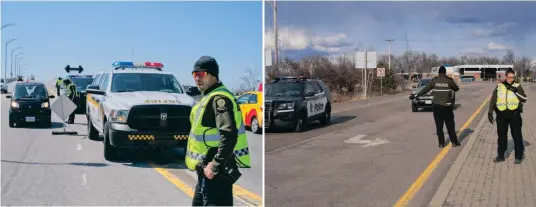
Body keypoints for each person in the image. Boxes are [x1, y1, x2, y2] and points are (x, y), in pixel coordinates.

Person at [185, 56, 251, 206]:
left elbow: (229, 134)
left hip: (215, 172)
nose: (197, 78)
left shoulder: (219, 99)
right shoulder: (208, 97)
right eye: (194, 74)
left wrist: (215, 165)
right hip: (207, 170)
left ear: (213, 75)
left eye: (201, 74)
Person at [410, 66, 461, 148]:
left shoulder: (434, 81)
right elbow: (456, 89)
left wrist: (415, 95)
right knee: (450, 126)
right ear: (445, 72)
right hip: (447, 107)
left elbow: (425, 90)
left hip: (437, 107)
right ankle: (454, 142)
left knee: (439, 126)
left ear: (438, 73)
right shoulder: (449, 81)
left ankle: (441, 143)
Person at [487, 69, 528, 164]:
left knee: (517, 136)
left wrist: (515, 91)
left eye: (513, 77)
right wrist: (490, 112)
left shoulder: (517, 86)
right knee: (501, 137)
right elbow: (493, 100)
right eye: (509, 77)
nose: (511, 79)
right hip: (501, 115)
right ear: (505, 77)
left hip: (514, 115)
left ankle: (518, 156)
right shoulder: (499, 86)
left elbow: (524, 99)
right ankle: (501, 156)